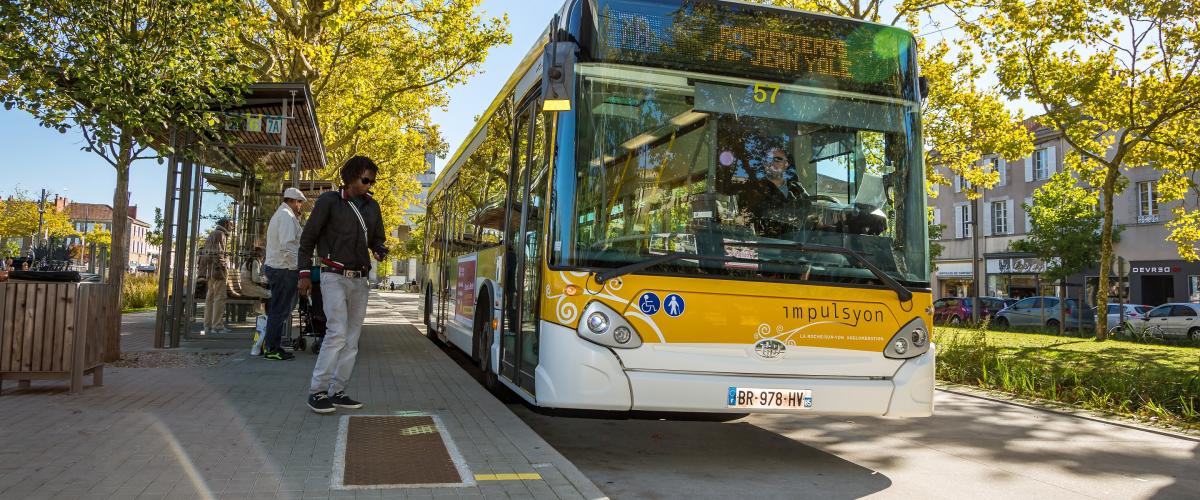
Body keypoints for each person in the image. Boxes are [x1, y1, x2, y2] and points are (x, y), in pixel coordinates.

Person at [299, 156, 388, 413]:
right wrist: (304, 274)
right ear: (351, 176)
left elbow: (376, 239)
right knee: (336, 333)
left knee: (352, 339)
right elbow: (308, 239)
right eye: (365, 179)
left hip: (360, 280)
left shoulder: (373, 207)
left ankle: (337, 390)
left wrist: (380, 249)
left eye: (372, 180)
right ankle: (316, 391)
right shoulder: (330, 201)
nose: (370, 184)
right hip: (332, 276)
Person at [264, 187, 307, 361]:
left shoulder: (283, 214)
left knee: (279, 309)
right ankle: (272, 348)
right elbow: (288, 246)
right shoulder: (287, 217)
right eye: (300, 203)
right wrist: (297, 269)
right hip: (284, 269)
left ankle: (271, 346)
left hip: (280, 268)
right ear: (293, 201)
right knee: (280, 310)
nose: (300, 207)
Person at [199, 218, 233, 334]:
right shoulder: (220, 234)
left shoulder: (212, 234)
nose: (232, 228)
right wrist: (224, 269)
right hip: (217, 272)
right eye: (231, 225)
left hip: (210, 272)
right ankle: (217, 326)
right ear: (226, 224)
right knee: (219, 298)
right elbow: (218, 254)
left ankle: (207, 326)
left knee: (210, 299)